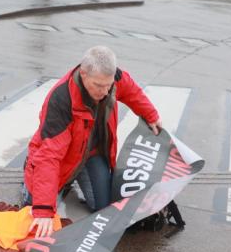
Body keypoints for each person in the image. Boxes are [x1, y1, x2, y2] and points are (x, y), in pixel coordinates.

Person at [23, 46, 162, 238]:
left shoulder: (112, 80)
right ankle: (30, 168)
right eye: (98, 85)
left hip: (92, 154)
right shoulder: (61, 99)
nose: (105, 92)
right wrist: (44, 210)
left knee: (103, 208)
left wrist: (152, 116)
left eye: (109, 85)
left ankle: (76, 177)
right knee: (34, 207)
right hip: (62, 156)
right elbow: (49, 156)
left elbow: (133, 93)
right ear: (83, 73)